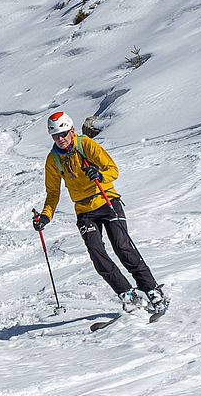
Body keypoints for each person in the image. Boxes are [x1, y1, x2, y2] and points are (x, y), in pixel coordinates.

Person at [32, 110, 167, 315]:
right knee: (97, 254)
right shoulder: (53, 160)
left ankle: (151, 290)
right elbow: (53, 192)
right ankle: (127, 294)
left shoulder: (86, 145)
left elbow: (112, 169)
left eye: (63, 134)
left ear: (72, 131)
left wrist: (100, 175)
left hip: (105, 200)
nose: (60, 139)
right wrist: (45, 216)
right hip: (85, 211)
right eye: (55, 136)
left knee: (122, 247)